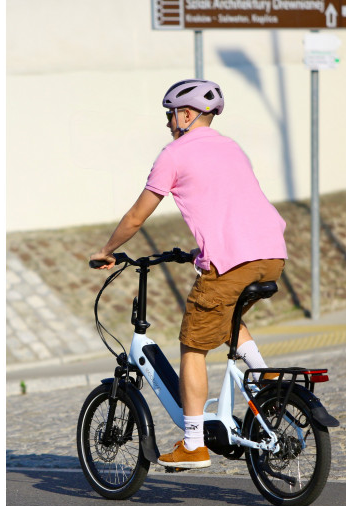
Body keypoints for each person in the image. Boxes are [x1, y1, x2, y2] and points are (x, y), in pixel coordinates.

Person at [90, 79, 287, 469]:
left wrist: (106, 250)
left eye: (170, 115)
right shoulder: (232, 148)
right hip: (272, 254)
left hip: (231, 262)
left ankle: (194, 443)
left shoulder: (174, 154)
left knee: (192, 345)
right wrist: (204, 249)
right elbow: (234, 206)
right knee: (226, 315)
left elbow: (136, 217)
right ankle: (266, 377)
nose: (168, 123)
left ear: (186, 114)